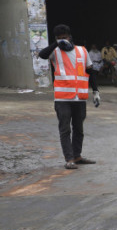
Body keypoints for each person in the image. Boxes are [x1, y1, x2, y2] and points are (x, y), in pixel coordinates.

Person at [38, 24, 99, 170]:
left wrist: (96, 91)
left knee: (79, 129)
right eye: (59, 39)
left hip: (79, 98)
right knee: (65, 129)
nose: (62, 41)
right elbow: (42, 55)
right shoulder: (55, 51)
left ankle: (77, 156)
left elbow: (90, 72)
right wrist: (56, 44)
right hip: (62, 98)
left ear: (70, 36)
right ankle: (69, 159)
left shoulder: (82, 51)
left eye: (64, 38)